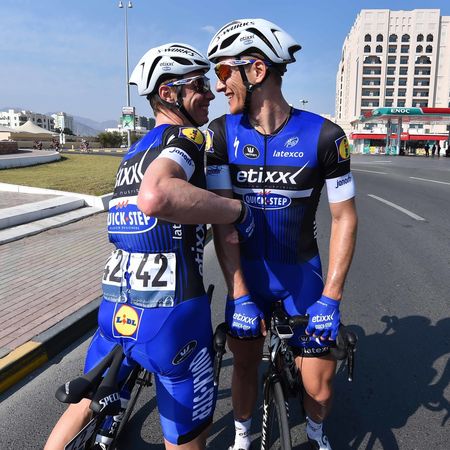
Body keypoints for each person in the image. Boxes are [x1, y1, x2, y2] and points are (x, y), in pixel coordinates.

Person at [45, 42, 254, 450]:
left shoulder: (132, 154)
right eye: (199, 85)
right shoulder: (189, 138)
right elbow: (157, 196)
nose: (210, 93)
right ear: (168, 93)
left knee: (83, 405)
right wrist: (237, 210)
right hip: (173, 318)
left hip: (115, 309)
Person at [204, 19, 358, 450]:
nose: (219, 85)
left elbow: (344, 218)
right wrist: (239, 294)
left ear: (257, 71)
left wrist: (331, 298)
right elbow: (223, 220)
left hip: (301, 276)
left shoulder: (326, 136)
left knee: (319, 386)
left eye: (224, 72)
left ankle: (316, 433)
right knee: (244, 364)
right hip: (247, 276)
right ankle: (241, 437)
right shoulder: (220, 135)